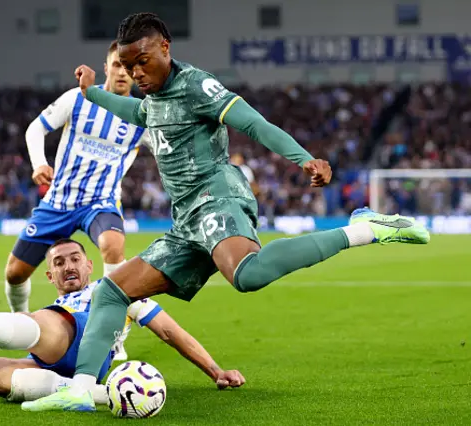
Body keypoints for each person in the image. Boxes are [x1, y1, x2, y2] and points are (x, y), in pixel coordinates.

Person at [24, 12, 431, 412]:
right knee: (113, 291)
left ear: (165, 48)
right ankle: (80, 389)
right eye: (129, 66)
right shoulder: (151, 100)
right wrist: (92, 93)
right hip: (186, 222)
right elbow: (137, 113)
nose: (136, 74)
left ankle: (364, 228)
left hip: (216, 197)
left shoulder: (197, 85)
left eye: (143, 62)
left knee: (247, 274)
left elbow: (253, 123)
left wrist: (304, 158)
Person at [0, 238, 244, 405]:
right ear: (50, 276)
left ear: (89, 265)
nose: (69, 267)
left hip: (84, 344)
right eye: (60, 263)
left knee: (41, 323)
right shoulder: (55, 305)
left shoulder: (114, 291)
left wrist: (216, 371)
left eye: (76, 259)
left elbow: (170, 331)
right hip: (54, 364)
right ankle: (100, 395)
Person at [4, 41, 152, 361]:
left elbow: (171, 149)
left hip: (100, 202)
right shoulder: (77, 99)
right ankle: (22, 322)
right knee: (15, 273)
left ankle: (113, 334)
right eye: (117, 65)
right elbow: (35, 130)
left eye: (129, 68)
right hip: (58, 202)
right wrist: (38, 164)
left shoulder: (142, 116)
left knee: (113, 245)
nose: (123, 73)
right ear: (106, 66)